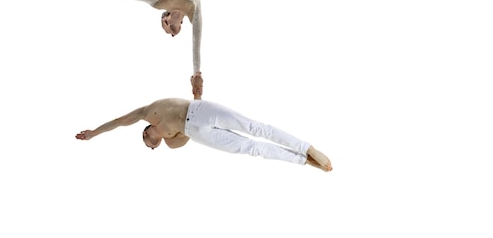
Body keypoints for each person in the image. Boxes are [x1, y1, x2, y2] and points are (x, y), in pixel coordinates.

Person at [69, 0, 305, 99]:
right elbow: (196, 45)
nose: (172, 30)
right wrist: (197, 74)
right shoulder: (195, 14)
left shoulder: (158, 2)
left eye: (168, 28)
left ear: (166, 19)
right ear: (180, 25)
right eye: (175, 30)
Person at [75, 97, 332, 171]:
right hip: (195, 131)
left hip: (198, 109)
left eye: (147, 142)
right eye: (152, 147)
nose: (151, 145)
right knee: (249, 148)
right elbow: (187, 135)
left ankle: (307, 148)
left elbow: (120, 121)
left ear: (147, 133)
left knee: (255, 127)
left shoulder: (148, 112)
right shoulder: (172, 143)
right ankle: (302, 160)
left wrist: (94, 133)